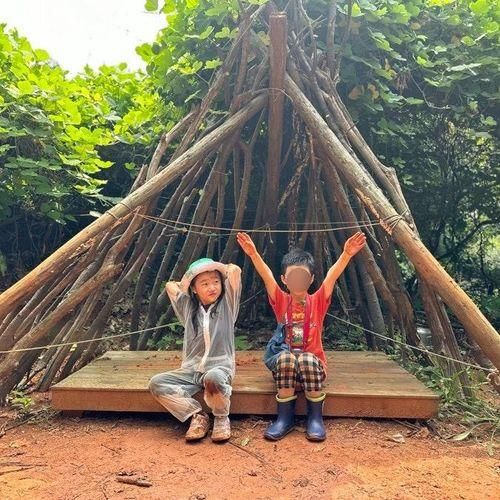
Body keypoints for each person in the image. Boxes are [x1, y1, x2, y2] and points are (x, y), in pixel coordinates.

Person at [237, 231, 366, 441]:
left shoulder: (318, 301)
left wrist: (346, 254)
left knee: (305, 358)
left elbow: (332, 276)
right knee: (287, 357)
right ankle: (284, 419)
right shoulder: (280, 300)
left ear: (311, 278)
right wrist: (253, 254)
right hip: (286, 372)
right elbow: (266, 275)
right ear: (285, 280)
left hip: (313, 370)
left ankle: (315, 419)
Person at [148, 258, 242, 442]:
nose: (212, 287)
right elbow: (170, 286)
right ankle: (197, 416)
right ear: (194, 289)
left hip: (219, 368)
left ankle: (221, 418)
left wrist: (215, 267)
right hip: (191, 370)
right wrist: (188, 281)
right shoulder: (188, 307)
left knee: (212, 378)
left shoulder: (227, 305)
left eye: (216, 282)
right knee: (157, 383)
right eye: (204, 284)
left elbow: (235, 270)